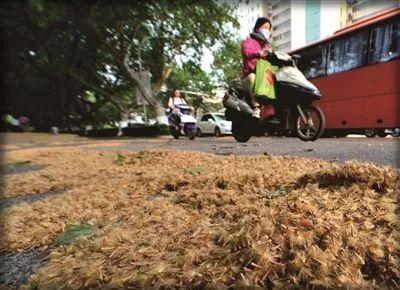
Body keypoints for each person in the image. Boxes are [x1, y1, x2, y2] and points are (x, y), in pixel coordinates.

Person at [241, 17, 273, 118]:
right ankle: (256, 107)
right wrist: (258, 53)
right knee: (252, 77)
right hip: (248, 76)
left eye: (268, 29)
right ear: (258, 28)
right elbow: (247, 52)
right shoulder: (249, 41)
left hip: (263, 75)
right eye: (264, 28)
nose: (267, 31)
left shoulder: (267, 46)